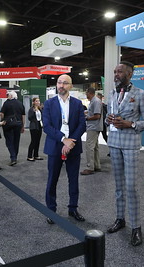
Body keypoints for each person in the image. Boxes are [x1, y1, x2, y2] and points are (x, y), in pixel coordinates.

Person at [106, 61, 144, 246]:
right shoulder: (111, 93)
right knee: (118, 186)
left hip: (131, 144)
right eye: (115, 71)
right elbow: (109, 117)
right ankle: (120, 219)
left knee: (131, 187)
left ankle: (136, 227)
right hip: (114, 143)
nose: (116, 75)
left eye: (120, 72)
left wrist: (131, 124)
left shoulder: (140, 94)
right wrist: (109, 120)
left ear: (130, 74)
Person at [43, 74, 86, 224]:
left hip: (73, 147)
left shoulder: (77, 103)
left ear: (71, 86)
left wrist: (70, 142)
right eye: (59, 82)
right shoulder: (49, 103)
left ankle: (73, 208)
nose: (61, 85)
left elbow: (82, 125)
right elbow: (47, 127)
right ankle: (51, 210)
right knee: (52, 180)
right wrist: (63, 140)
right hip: (55, 146)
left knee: (73, 180)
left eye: (65, 83)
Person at [80, 87, 102, 175]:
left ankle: (90, 167)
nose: (86, 95)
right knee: (95, 147)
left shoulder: (96, 101)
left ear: (90, 93)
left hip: (93, 127)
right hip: (94, 127)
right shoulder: (94, 101)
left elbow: (97, 116)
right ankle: (96, 165)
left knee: (89, 147)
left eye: (86, 93)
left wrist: (87, 118)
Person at [0, 90, 25, 166]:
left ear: (10, 96)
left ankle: (13, 157)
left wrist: (3, 120)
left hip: (8, 125)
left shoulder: (6, 103)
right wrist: (23, 125)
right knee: (16, 141)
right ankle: (15, 157)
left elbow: (1, 114)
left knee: (9, 141)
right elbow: (23, 116)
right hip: (18, 124)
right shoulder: (20, 104)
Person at [27, 97, 43, 161]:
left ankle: (36, 155)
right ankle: (29, 156)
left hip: (39, 125)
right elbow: (29, 118)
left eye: (38, 101)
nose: (38, 102)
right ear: (33, 102)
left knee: (38, 141)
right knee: (33, 141)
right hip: (33, 126)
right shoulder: (31, 109)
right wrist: (34, 112)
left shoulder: (40, 109)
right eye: (36, 101)